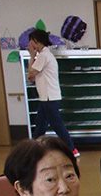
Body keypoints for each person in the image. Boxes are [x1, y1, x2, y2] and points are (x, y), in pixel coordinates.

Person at [27, 29, 79, 158]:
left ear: (36, 42)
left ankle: (72, 149)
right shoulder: (45, 55)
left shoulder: (43, 55)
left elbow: (32, 72)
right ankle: (35, 148)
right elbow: (35, 75)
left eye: (31, 41)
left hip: (49, 97)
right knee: (40, 123)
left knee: (56, 124)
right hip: (47, 97)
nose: (29, 44)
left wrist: (32, 55)